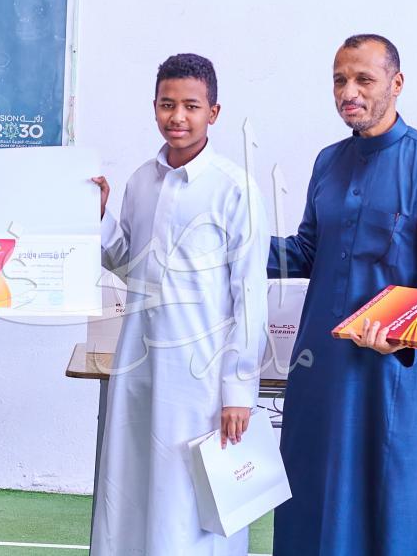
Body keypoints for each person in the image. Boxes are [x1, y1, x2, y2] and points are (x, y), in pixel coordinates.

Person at [269, 34, 417, 556]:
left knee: (394, 508)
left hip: (392, 374)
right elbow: (306, 251)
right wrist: (232, 244)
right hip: (320, 370)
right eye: (339, 80)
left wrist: (402, 329)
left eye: (364, 79)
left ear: (396, 83)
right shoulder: (327, 162)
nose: (348, 92)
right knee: (310, 499)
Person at [91, 54, 269, 555]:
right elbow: (129, 264)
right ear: (154, 107)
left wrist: (238, 390)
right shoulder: (141, 182)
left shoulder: (235, 189)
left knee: (192, 502)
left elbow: (250, 294)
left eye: (191, 106)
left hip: (201, 377)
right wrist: (100, 217)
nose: (178, 117)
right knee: (133, 487)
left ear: (214, 112)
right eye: (167, 104)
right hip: (140, 365)